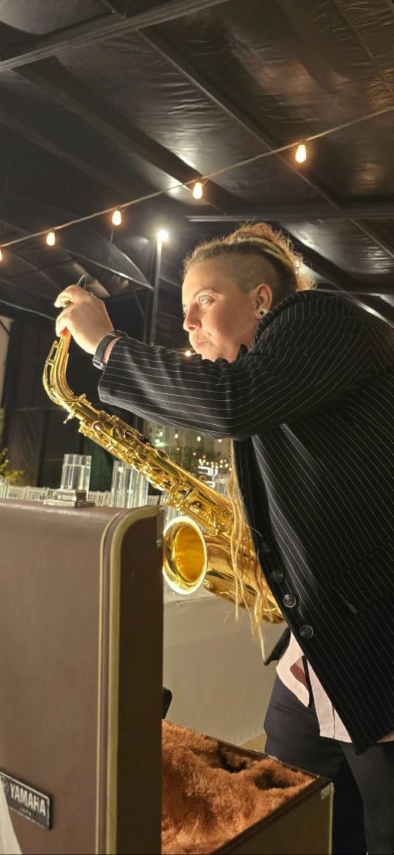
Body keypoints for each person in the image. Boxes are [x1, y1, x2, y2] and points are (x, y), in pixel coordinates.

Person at [55, 222, 394, 855]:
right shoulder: (270, 381)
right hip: (318, 646)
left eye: (204, 300)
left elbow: (233, 402)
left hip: (379, 642)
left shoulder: (320, 316)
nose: (187, 322)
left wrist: (107, 346)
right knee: (285, 813)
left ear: (263, 300)